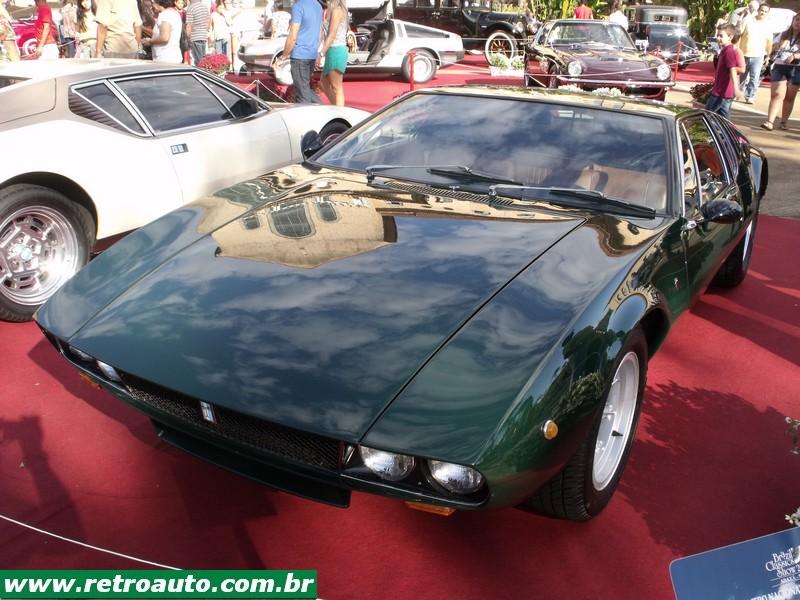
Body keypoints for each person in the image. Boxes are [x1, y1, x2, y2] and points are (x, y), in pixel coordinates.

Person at [279, 0, 323, 103]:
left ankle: (320, 108)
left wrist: (283, 57)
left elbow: (293, 36)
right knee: (304, 89)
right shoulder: (317, 5)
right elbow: (320, 33)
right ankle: (321, 106)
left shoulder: (298, 6)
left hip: (300, 55)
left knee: (302, 95)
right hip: (311, 54)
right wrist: (316, 50)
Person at [761, 14, 800, 130]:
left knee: (789, 97)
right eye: (797, 19)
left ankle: (784, 122)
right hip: (779, 66)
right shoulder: (783, 34)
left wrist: (795, 56)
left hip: (796, 68)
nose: (798, 22)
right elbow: (771, 48)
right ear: (793, 20)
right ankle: (769, 122)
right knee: (777, 94)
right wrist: (777, 46)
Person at [706, 23, 745, 118]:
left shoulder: (729, 51)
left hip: (722, 93)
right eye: (717, 35)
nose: (718, 38)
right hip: (721, 92)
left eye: (721, 36)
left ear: (730, 37)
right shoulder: (726, 50)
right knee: (721, 118)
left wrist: (736, 89)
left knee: (708, 117)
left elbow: (732, 70)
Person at [738, 3, 772, 104]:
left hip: (758, 55)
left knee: (755, 77)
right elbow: (739, 35)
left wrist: (768, 56)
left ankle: (750, 96)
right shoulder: (748, 20)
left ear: (768, 14)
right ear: (758, 10)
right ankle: (738, 92)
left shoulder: (768, 26)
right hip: (743, 54)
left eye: (765, 11)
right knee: (742, 75)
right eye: (762, 10)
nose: (763, 13)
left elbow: (769, 42)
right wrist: (737, 50)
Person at [317, 0, 347, 106]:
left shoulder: (337, 10)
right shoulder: (328, 10)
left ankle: (340, 112)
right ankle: (336, 106)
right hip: (331, 50)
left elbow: (332, 35)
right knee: (323, 83)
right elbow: (323, 34)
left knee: (336, 87)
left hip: (337, 49)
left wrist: (321, 53)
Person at [185, 0, 209, 64]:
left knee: (198, 61)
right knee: (203, 60)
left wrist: (186, 38)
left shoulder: (191, 8)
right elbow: (208, 21)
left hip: (195, 37)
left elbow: (189, 25)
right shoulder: (205, 6)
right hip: (204, 36)